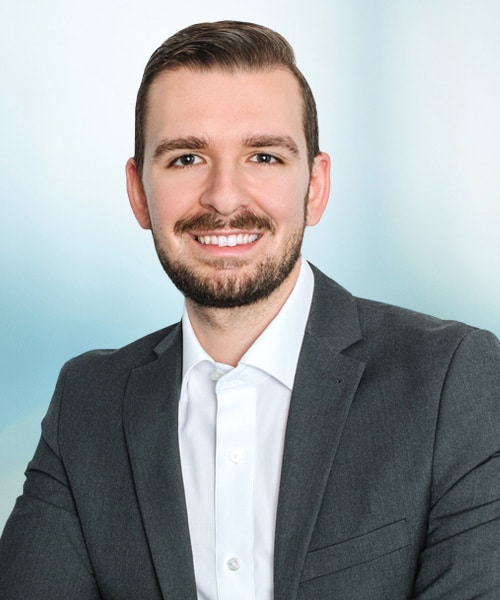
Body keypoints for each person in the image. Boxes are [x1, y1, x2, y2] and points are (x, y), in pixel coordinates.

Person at [1, 20, 499, 600]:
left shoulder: (450, 381)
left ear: (315, 187)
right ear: (138, 193)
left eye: (263, 156)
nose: (224, 197)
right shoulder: (88, 404)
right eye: (186, 158)